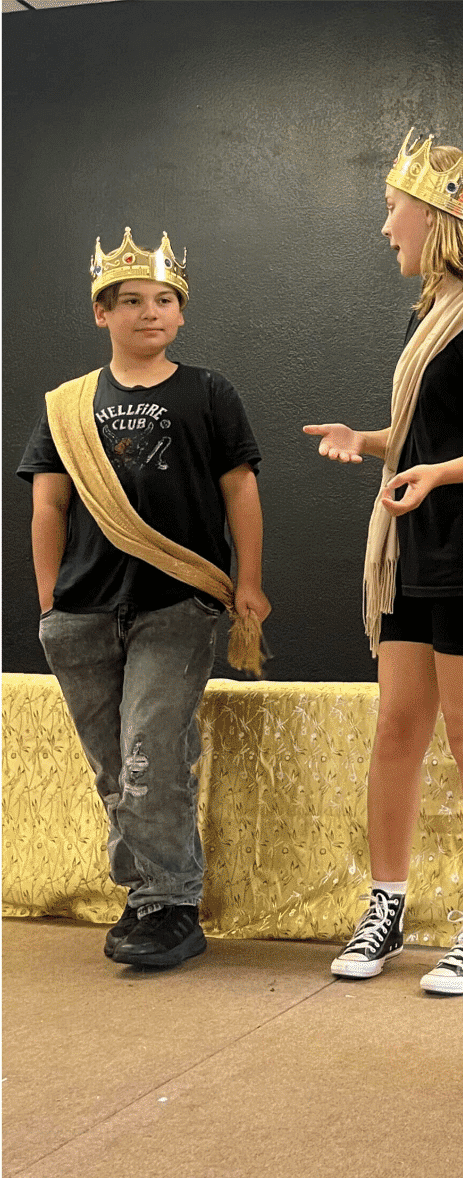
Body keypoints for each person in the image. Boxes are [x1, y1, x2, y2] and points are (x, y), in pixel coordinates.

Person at [305, 129, 463, 995]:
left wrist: (438, 471)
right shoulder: (433, 309)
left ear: (436, 214)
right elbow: (428, 438)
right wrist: (368, 441)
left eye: (392, 210)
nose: (385, 230)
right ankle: (389, 903)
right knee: (398, 730)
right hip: (418, 551)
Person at [18, 228, 271, 968]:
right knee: (111, 764)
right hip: (84, 612)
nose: (148, 312)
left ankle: (170, 902)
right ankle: (144, 896)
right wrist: (50, 606)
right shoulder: (67, 406)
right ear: (103, 314)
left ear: (181, 314)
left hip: (176, 603)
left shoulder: (210, 393)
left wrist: (248, 581)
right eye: (130, 301)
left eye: (163, 300)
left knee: (148, 753)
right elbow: (48, 506)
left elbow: (240, 490)